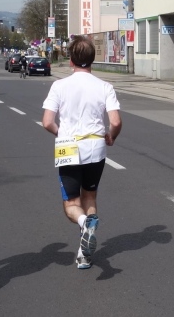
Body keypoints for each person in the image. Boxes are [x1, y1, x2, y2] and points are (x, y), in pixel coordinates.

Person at [41, 35, 122, 270]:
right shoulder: (105, 87)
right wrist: (111, 136)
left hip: (68, 146)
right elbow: (115, 121)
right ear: (92, 60)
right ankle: (84, 254)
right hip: (95, 147)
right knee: (90, 197)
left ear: (71, 60)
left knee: (71, 204)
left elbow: (47, 121)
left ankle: (84, 223)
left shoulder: (59, 86)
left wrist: (61, 133)